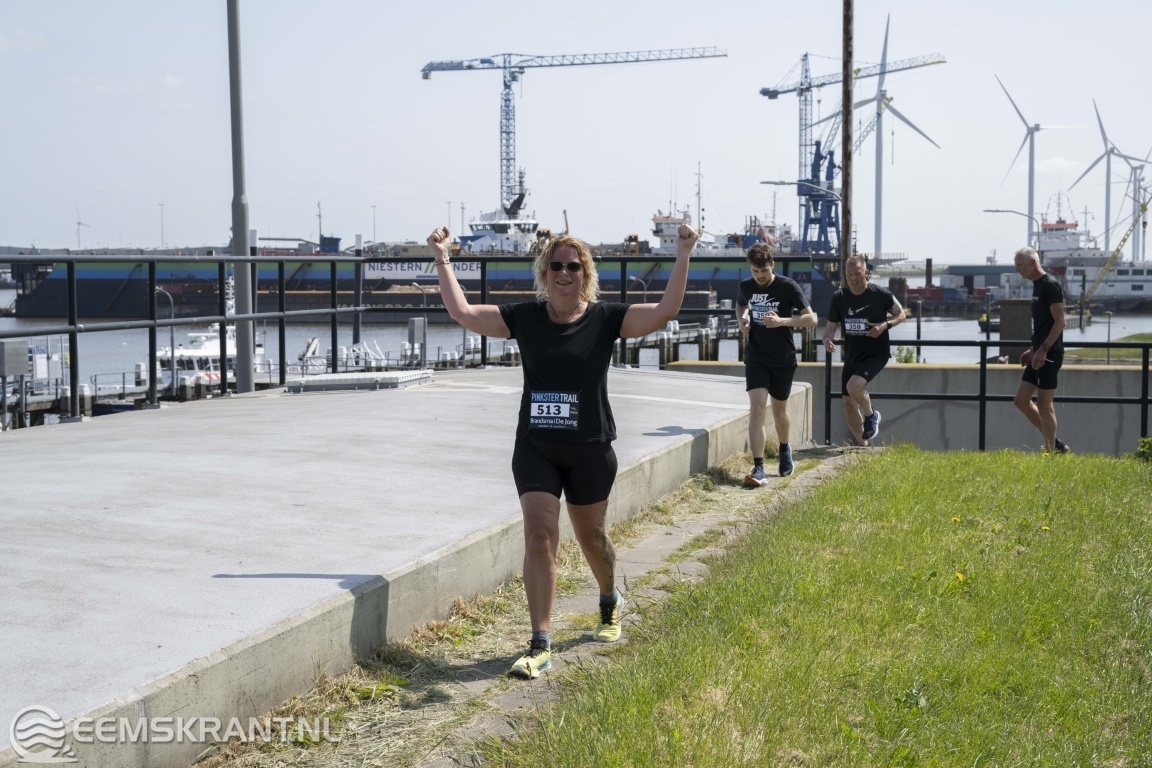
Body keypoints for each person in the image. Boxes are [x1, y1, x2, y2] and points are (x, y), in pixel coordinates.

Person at [426, 223, 698, 679]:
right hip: (536, 446)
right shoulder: (524, 318)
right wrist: (442, 257)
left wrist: (683, 253)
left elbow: (665, 311)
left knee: (592, 538)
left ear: (585, 273)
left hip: (590, 448)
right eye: (555, 266)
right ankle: (540, 643)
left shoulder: (606, 319)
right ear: (544, 273)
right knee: (539, 536)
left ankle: (609, 599)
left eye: (573, 266)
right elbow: (464, 312)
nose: (564, 273)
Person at [736, 241, 817, 485]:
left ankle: (784, 448)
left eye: (764, 270)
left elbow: (811, 318)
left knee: (780, 411)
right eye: (755, 271)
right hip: (756, 356)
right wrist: (742, 321)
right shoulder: (746, 286)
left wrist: (782, 321)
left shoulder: (787, 286)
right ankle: (758, 467)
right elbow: (741, 304)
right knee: (757, 407)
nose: (760, 276)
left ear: (772, 265)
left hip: (783, 358)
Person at [821, 255, 906, 446]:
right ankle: (863, 447)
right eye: (849, 274)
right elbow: (829, 328)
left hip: (876, 353)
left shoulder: (880, 294)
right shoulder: (840, 297)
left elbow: (901, 314)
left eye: (857, 273)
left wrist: (884, 326)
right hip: (853, 355)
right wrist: (827, 339)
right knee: (848, 404)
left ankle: (870, 414)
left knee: (854, 387)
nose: (853, 278)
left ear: (866, 273)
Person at [1011, 246, 1070, 453]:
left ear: (1032, 263)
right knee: (1021, 401)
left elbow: (1060, 321)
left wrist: (1043, 349)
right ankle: (1055, 444)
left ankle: (1051, 452)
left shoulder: (1050, 285)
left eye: (1020, 265)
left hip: (1049, 354)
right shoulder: (1037, 286)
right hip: (1038, 352)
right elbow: (1043, 325)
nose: (1018, 270)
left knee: (1044, 404)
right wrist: (1032, 349)